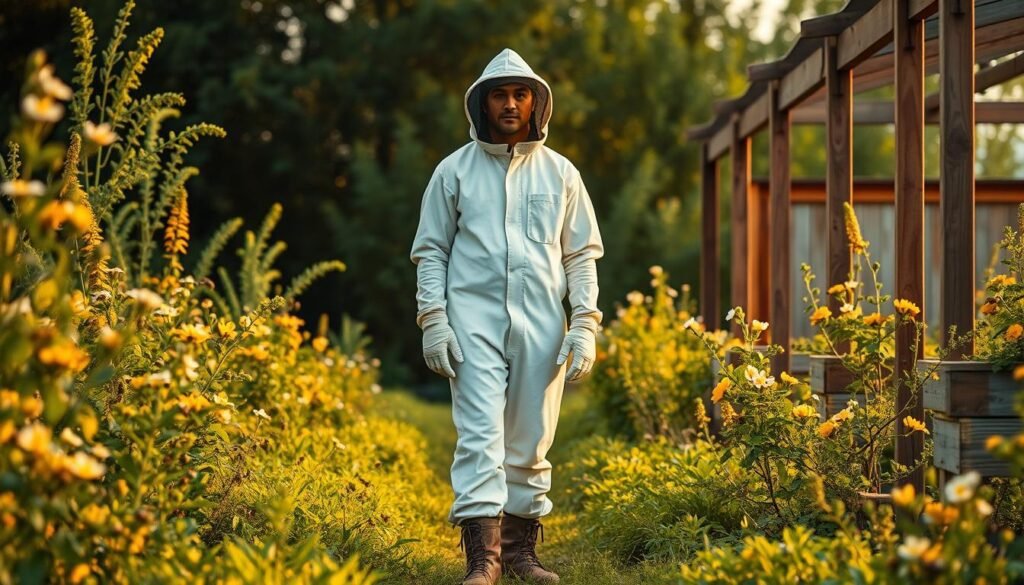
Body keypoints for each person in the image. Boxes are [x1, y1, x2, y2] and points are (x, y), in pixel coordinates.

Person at [409, 48, 604, 585]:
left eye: (521, 94)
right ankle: (484, 561)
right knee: (479, 436)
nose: (511, 104)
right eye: (501, 94)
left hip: (543, 323)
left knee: (532, 438)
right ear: (482, 103)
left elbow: (580, 254)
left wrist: (585, 324)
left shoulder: (562, 173)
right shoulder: (453, 171)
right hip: (471, 323)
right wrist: (434, 320)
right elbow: (431, 251)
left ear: (537, 102)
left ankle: (519, 552)